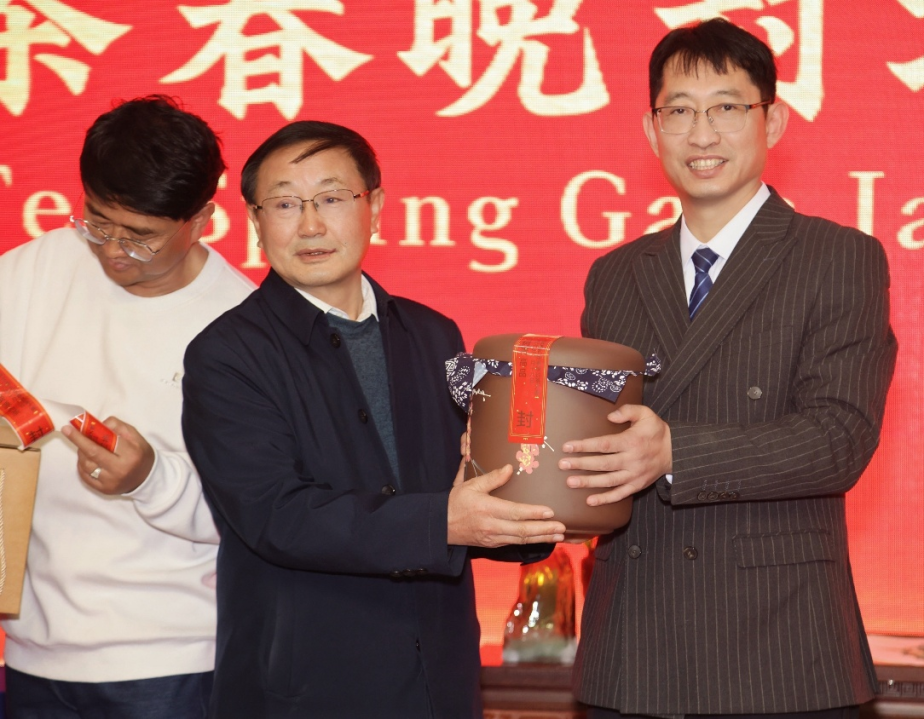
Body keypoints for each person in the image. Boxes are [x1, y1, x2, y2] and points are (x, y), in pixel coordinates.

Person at [561, 19, 898, 719]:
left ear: (772, 121)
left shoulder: (837, 257)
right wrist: (522, 461)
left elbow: (839, 438)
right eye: (679, 111)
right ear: (652, 130)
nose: (702, 134)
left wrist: (675, 452)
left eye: (726, 107)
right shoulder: (615, 273)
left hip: (778, 653)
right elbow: (598, 437)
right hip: (632, 650)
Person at [180, 120, 565, 718]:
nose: (310, 225)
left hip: (438, 682)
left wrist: (537, 513)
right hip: (307, 689)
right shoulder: (226, 354)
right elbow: (276, 515)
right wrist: (443, 521)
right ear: (256, 222)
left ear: (375, 208)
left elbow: (459, 488)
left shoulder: (432, 334)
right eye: (284, 204)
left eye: (332, 198)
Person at [0, 96, 254, 718]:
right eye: (97, 222)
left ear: (201, 219)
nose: (113, 250)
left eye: (141, 238)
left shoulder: (242, 325)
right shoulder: (35, 270)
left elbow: (257, 511)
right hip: (31, 649)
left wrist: (147, 478)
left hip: (173, 663)